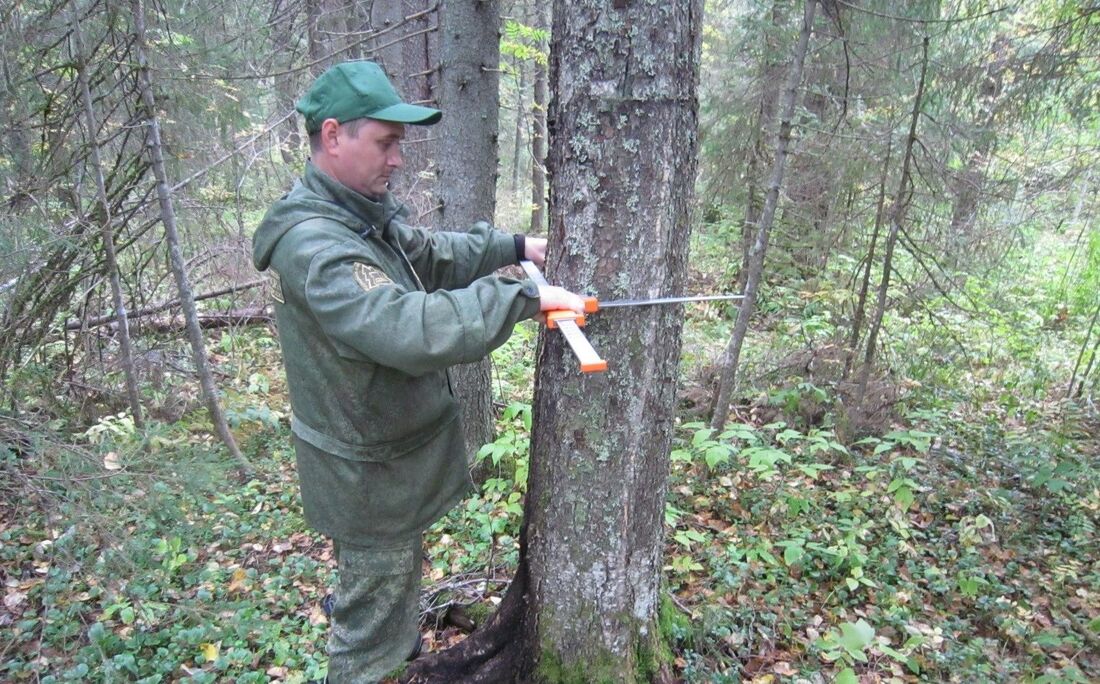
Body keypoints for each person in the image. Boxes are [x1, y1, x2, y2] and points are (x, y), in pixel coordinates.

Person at [251, 61, 584, 682]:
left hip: (384, 466)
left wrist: (512, 248)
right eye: (386, 141)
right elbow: (408, 327)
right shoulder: (317, 247)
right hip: (366, 481)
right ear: (332, 137)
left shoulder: (359, 218)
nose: (398, 158)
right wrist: (519, 298)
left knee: (389, 614)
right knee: (367, 642)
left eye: (399, 143)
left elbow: (426, 256)